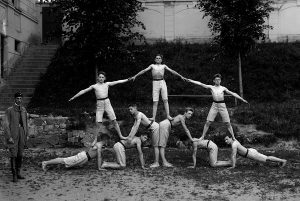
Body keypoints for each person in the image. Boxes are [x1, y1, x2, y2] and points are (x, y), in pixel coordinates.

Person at [69, 71, 131, 140]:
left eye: (102, 77)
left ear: (104, 78)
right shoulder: (94, 86)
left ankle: (121, 136)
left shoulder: (107, 84)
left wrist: (127, 80)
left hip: (107, 102)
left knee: (114, 120)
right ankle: (95, 139)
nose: (101, 78)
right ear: (98, 78)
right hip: (99, 104)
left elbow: (118, 81)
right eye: (100, 77)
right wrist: (74, 97)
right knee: (98, 122)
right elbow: (83, 91)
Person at [187, 74, 248, 140]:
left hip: (222, 105)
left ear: (220, 80)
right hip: (214, 105)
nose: (217, 81)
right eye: (216, 80)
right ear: (214, 81)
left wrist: (242, 99)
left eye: (219, 80)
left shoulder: (223, 88)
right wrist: (190, 80)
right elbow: (200, 84)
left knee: (228, 123)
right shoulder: (211, 87)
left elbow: (233, 93)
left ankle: (233, 137)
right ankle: (202, 136)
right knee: (208, 122)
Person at [131, 54, 186, 121]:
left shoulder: (164, 66)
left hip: (162, 82)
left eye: (159, 58)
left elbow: (172, 71)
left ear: (161, 60)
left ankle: (168, 116)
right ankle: (153, 117)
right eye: (157, 58)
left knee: (165, 99)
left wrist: (180, 76)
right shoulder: (152, 65)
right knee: (155, 101)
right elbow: (144, 71)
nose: (158, 59)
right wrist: (135, 76)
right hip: (155, 83)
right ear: (155, 59)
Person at [42, 134, 110, 171]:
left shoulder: (98, 144)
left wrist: (95, 139)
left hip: (84, 157)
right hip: (83, 157)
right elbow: (99, 157)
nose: (108, 142)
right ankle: (46, 162)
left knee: (65, 161)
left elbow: (92, 146)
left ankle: (48, 163)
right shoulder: (99, 145)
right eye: (108, 140)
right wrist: (99, 168)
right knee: (64, 160)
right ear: (106, 140)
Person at [3, 92, 29, 182]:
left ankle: (18, 173)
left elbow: (26, 123)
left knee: (20, 154)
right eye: (17, 98)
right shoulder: (9, 110)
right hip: (13, 134)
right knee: (13, 154)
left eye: (20, 98)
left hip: (22, 132)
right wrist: (9, 136)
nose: (19, 100)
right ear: (15, 99)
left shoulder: (24, 110)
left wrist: (26, 134)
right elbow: (6, 125)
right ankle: (14, 175)